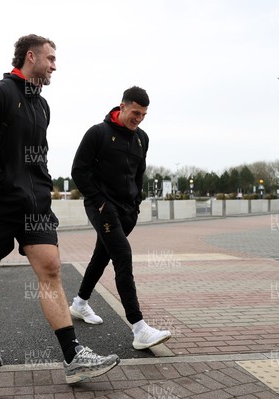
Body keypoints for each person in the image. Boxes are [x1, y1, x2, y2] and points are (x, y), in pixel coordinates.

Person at [0, 34, 119, 384]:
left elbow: (39, 156)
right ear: (30, 57)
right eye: (50, 58)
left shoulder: (41, 105)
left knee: (51, 268)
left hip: (34, 206)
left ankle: (73, 356)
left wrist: (43, 188)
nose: (54, 65)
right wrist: (4, 185)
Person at [69, 86, 172, 350]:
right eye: (135, 112)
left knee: (101, 256)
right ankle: (139, 329)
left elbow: (139, 173)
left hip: (127, 211)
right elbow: (78, 171)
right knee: (122, 256)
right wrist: (100, 202)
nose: (139, 118)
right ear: (122, 106)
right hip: (102, 207)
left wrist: (136, 203)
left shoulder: (142, 139)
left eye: (144, 115)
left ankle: (79, 303)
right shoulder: (98, 133)